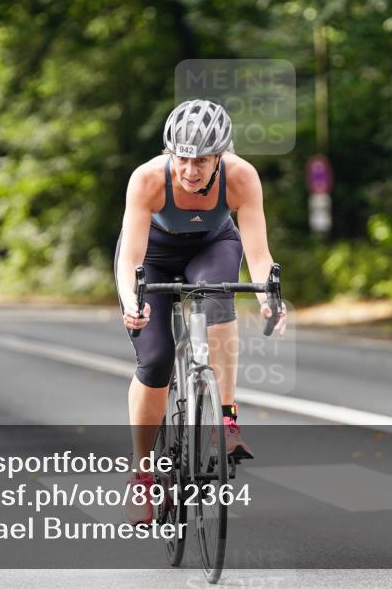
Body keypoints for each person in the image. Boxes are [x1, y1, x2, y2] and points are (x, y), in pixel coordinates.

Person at [114, 99, 287, 524]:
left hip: (213, 245)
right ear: (170, 152)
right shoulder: (148, 180)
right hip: (152, 257)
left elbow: (258, 254)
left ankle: (225, 420)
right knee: (154, 362)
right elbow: (129, 258)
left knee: (217, 301)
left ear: (221, 156)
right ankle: (143, 477)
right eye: (183, 159)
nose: (191, 171)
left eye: (203, 161)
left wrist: (269, 297)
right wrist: (131, 300)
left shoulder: (242, 178)